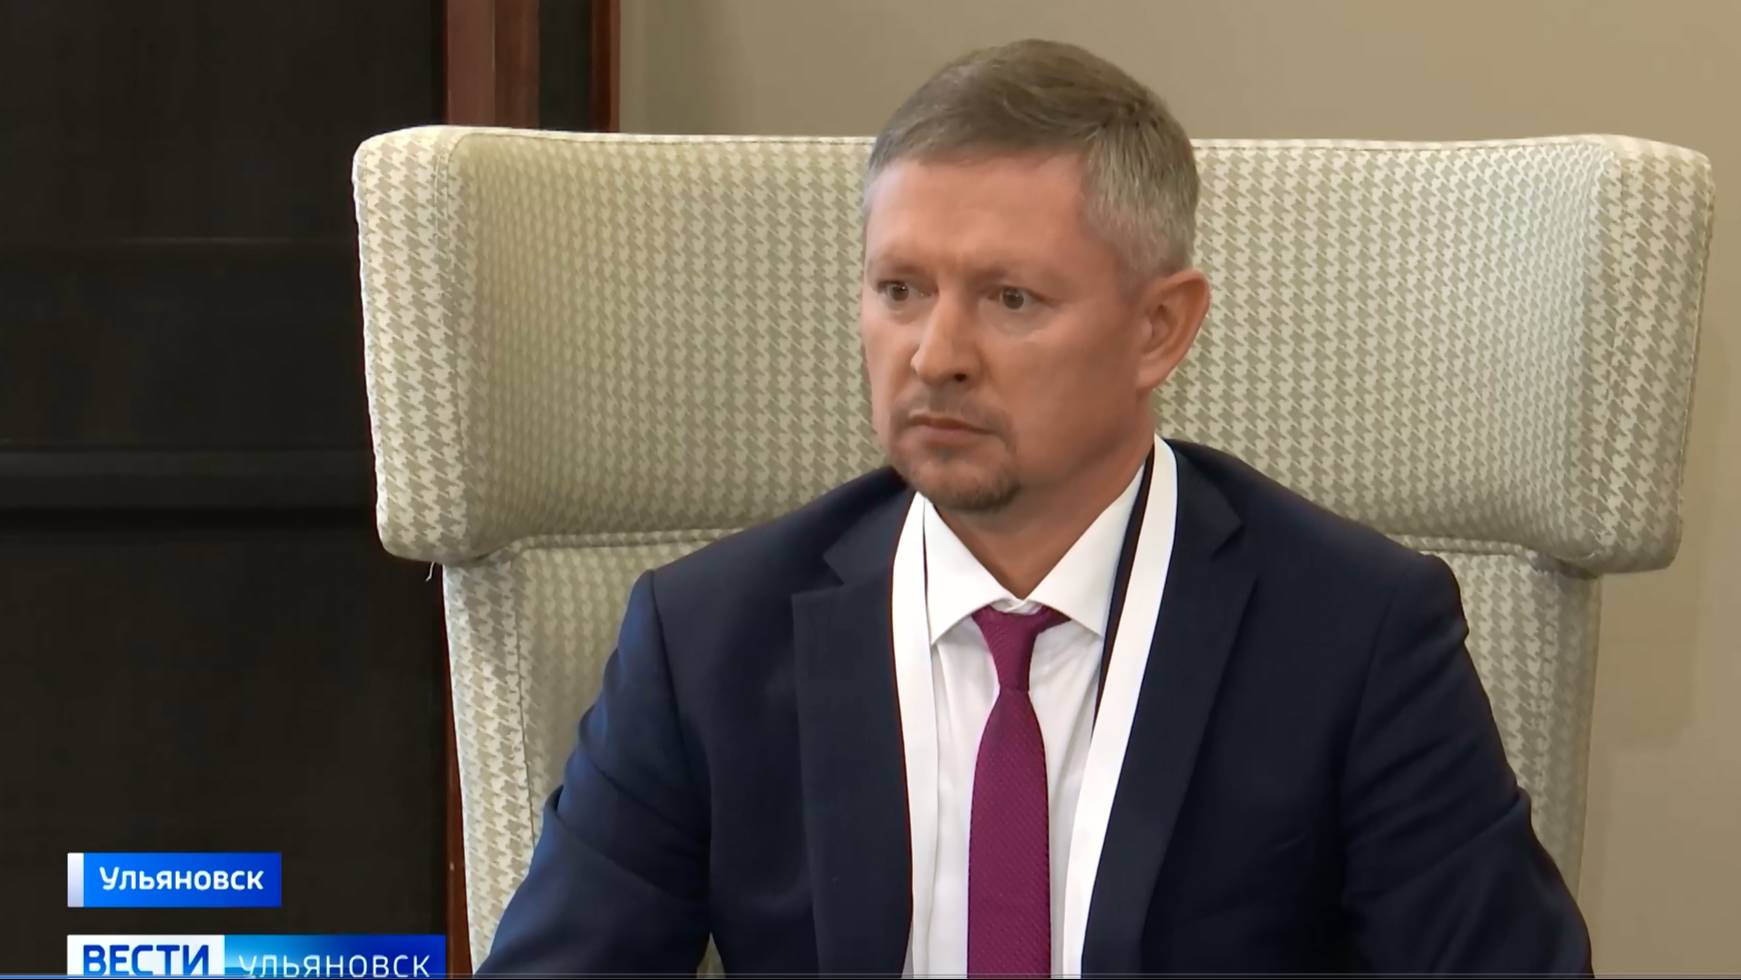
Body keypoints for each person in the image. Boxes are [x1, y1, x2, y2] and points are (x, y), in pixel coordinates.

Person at [478, 38, 1590, 976]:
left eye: (1010, 298)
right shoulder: (705, 636)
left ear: (1158, 328)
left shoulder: (1354, 632)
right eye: (899, 289)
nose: (935, 355)